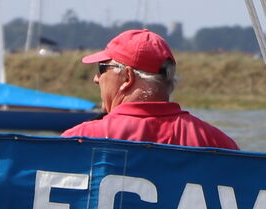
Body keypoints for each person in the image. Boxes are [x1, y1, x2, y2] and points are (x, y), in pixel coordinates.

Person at [62, 29, 239, 150]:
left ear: (127, 78)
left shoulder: (79, 139)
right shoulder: (219, 144)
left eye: (102, 68)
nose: (96, 78)